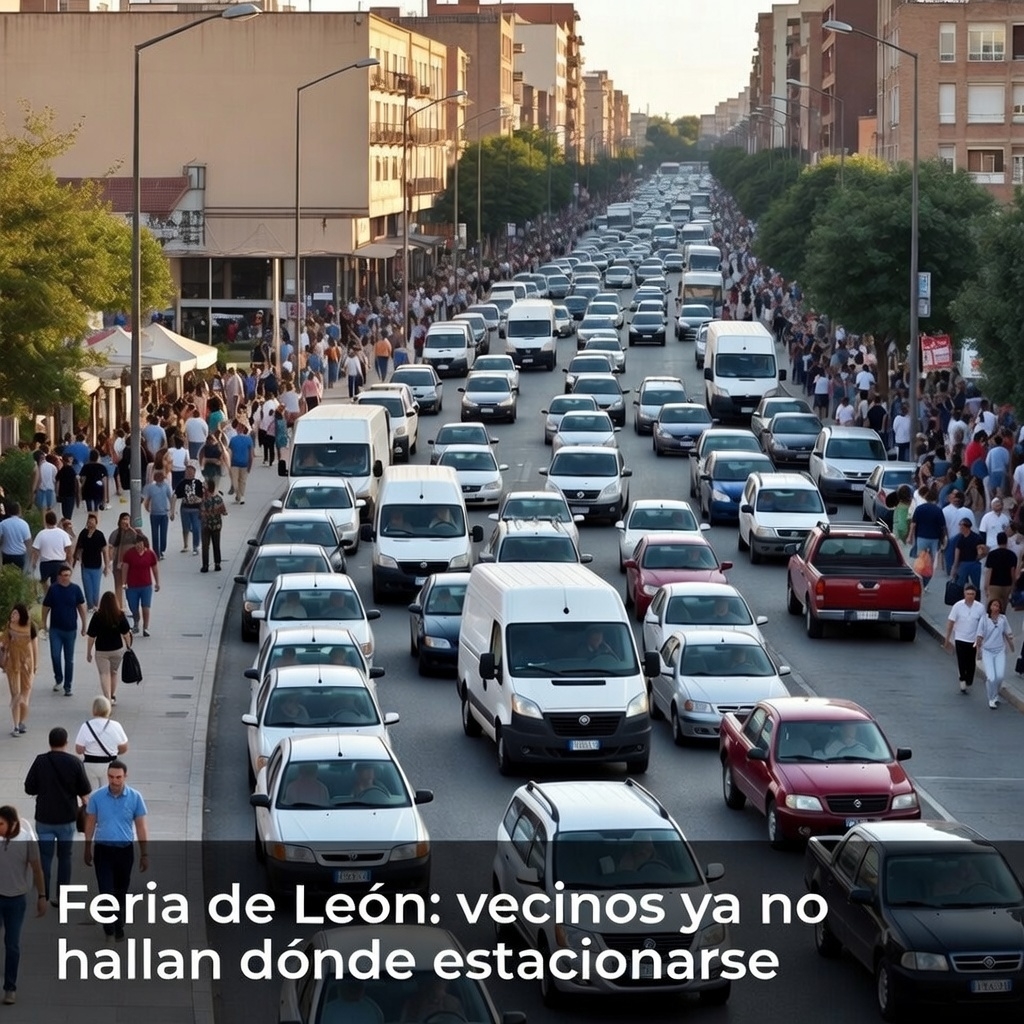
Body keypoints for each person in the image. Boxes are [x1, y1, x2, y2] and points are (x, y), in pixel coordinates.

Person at [23, 727, 90, 907]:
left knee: (45, 857)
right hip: (67, 818)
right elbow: (85, 790)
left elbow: (29, 787)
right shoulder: (75, 763)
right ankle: (62, 897)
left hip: (44, 817)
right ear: (66, 742)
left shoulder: (40, 761)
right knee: (65, 857)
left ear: (49, 742)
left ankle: (43, 894)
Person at [83, 760, 148, 943]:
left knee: (120, 892)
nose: (114, 781)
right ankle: (109, 930)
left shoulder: (135, 797)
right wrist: (87, 847)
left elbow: (141, 827)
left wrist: (144, 853)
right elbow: (90, 822)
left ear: (125, 776)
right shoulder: (97, 797)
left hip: (124, 852)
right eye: (111, 777)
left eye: (118, 777)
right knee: (105, 892)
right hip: (103, 851)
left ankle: (119, 924)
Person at [0, 805, 46, 1004]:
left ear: (12, 824)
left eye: (1, 824)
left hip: (16, 900)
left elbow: (37, 870)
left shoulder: (26, 838)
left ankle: (10, 987)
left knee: (12, 945)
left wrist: (42, 896)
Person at [41, 564, 87, 698]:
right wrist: (44, 623)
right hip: (56, 629)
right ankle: (58, 678)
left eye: (69, 575)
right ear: (59, 577)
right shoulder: (53, 590)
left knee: (69, 659)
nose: (67, 578)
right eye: (64, 575)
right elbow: (45, 607)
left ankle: (68, 686)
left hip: (70, 629)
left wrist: (84, 625)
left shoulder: (75, 589)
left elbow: (81, 607)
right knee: (55, 655)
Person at [86, 591, 133, 703]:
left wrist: (88, 652)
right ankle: (112, 696)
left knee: (104, 673)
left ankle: (107, 697)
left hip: (101, 650)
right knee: (114, 672)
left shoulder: (97, 616)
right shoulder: (120, 615)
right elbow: (126, 633)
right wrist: (129, 647)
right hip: (117, 650)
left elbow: (91, 637)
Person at [75, 697, 129, 791]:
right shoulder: (116, 725)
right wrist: (114, 751)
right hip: (109, 764)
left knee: (92, 793)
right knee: (108, 792)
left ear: (93, 709)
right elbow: (124, 747)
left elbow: (79, 749)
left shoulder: (86, 726)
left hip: (90, 764)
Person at [1, 606, 38, 736]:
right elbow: (4, 642)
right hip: (12, 665)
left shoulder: (30, 627)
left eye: (16, 613)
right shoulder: (9, 627)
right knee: (15, 694)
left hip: (26, 665)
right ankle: (16, 726)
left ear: (21, 615)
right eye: (12, 613)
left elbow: (35, 646)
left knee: (24, 696)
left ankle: (21, 721)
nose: (13, 615)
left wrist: (35, 665)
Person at [944, 584, 986, 694]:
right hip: (960, 638)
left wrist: (981, 638)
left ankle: (969, 679)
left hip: (973, 639)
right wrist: (947, 638)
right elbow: (951, 622)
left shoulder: (980, 608)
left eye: (972, 594)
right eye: (968, 594)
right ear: (964, 594)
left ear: (975, 595)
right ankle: (962, 678)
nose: (970, 596)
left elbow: (983, 624)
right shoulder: (957, 606)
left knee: (971, 662)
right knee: (961, 661)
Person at [976, 598, 1015, 710]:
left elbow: (1008, 633)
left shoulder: (1003, 619)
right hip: (987, 651)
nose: (995, 608)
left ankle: (996, 694)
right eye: (994, 605)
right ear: (990, 607)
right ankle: (991, 698)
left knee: (999, 676)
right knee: (991, 677)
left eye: (997, 606)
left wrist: (1012, 646)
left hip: (1000, 651)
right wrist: (978, 652)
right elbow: (979, 636)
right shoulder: (984, 619)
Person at [121, 533, 160, 637]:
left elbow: (155, 569)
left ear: (144, 544)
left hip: (146, 585)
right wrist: (124, 583)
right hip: (132, 586)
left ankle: (146, 627)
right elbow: (125, 569)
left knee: (146, 607)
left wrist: (157, 582)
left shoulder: (150, 554)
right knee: (133, 607)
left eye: (141, 544)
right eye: (137, 544)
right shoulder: (129, 554)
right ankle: (136, 622)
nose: (139, 546)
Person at [73, 512, 109, 612]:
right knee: (87, 587)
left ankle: (96, 605)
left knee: (96, 588)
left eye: (92, 522)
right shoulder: (83, 533)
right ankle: (90, 605)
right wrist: (77, 557)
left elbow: (105, 551)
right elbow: (79, 548)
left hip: (97, 566)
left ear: (96, 523)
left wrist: (106, 566)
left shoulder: (99, 535)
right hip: (85, 566)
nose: (90, 523)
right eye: (89, 522)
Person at [31, 510, 74, 591]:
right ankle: (56, 597)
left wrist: (34, 563)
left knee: (44, 582)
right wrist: (70, 564)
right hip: (59, 563)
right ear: (56, 521)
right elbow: (69, 550)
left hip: (45, 563)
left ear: (46, 521)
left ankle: (48, 596)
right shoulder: (63, 534)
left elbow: (35, 550)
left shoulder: (41, 534)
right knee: (58, 583)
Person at [172, 460, 204, 556]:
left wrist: (201, 502)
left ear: (194, 472)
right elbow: (175, 496)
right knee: (185, 527)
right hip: (185, 509)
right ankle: (186, 545)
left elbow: (204, 496)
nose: (188, 472)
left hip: (196, 509)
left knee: (196, 527)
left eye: (191, 470)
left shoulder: (198, 483)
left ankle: (196, 546)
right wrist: (172, 511)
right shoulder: (182, 483)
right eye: (187, 470)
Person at [142, 469, 173, 560]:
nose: (160, 479)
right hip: (154, 514)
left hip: (164, 513)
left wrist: (172, 509)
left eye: (162, 477)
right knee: (155, 534)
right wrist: (147, 507)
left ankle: (162, 549)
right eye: (158, 477)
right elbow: (147, 499)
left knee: (163, 534)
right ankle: (156, 553)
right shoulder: (151, 487)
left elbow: (170, 497)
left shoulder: (167, 486)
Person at [984, 532, 1018, 612]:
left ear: (997, 541)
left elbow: (989, 571)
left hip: (994, 584)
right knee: (1003, 607)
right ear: (1006, 541)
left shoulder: (992, 554)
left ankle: (992, 622)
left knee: (992, 607)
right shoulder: (1012, 555)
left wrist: (986, 586)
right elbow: (1012, 572)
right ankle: (1001, 622)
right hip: (1007, 585)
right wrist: (1013, 585)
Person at [199, 479, 228, 574]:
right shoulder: (218, 499)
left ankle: (205, 565)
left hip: (206, 525)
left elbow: (201, 514)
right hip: (216, 525)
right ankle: (217, 564)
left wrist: (205, 515)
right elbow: (224, 512)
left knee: (205, 546)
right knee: (216, 545)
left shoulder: (204, 500)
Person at [227, 421, 255, 504]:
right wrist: (250, 465)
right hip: (243, 463)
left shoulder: (233, 440)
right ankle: (241, 496)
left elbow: (230, 453)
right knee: (242, 481)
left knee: (236, 481)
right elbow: (251, 455)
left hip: (235, 463)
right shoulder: (248, 439)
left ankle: (240, 495)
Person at [0, 504, 32, 569]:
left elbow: (1, 539)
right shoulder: (24, 524)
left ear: (8, 512)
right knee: (18, 575)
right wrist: (30, 557)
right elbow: (28, 542)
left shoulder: (3, 524)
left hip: (6, 554)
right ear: (19, 511)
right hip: (19, 555)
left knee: (7, 575)